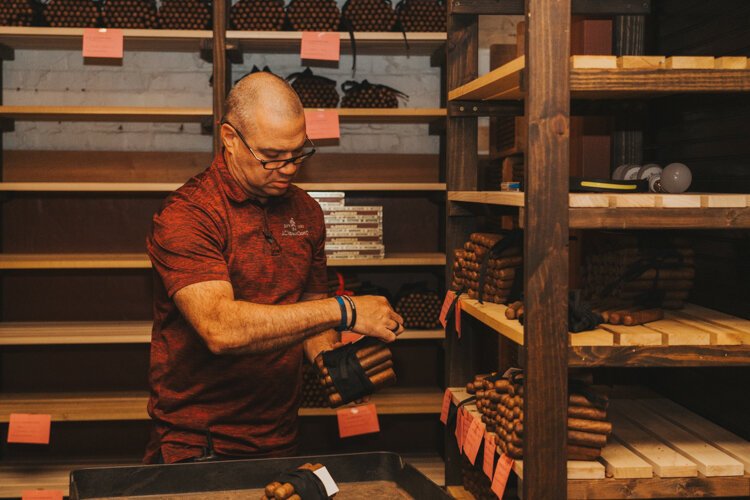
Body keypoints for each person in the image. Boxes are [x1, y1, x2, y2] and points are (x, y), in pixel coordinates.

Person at [144, 72, 405, 464]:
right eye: (271, 156)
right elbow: (220, 328)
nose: (287, 169)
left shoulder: (307, 212)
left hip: (280, 434)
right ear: (229, 138)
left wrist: (330, 361)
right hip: (198, 443)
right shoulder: (188, 214)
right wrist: (347, 310)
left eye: (298, 153)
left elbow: (309, 305)